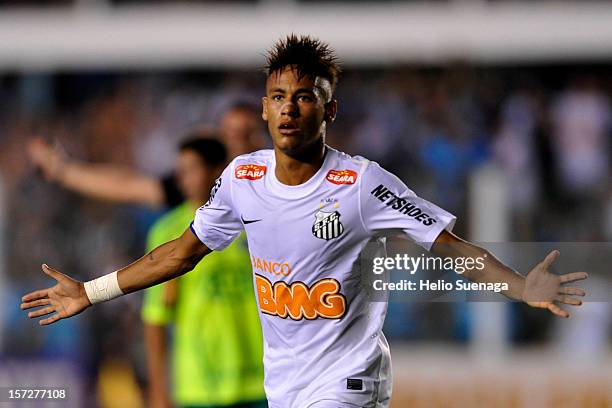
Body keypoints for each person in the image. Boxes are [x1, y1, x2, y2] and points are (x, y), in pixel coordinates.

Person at [21, 35, 588, 408]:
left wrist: (518, 284)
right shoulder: (242, 180)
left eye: (305, 97)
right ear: (265, 108)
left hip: (351, 378)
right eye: (278, 97)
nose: (290, 108)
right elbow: (179, 253)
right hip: (284, 385)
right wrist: (90, 292)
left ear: (329, 109)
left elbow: (448, 246)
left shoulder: (362, 183)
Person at [142, 136, 266, 408]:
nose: (182, 178)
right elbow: (156, 318)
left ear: (217, 171)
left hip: (261, 381)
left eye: (191, 168)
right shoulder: (167, 232)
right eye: (180, 170)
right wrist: (158, 389)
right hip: (199, 386)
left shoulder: (256, 222)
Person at [26, 102, 264, 210]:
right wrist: (64, 171)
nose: (236, 142)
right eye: (229, 133)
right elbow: (128, 186)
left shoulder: (282, 180)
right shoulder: (206, 189)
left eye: (245, 134)